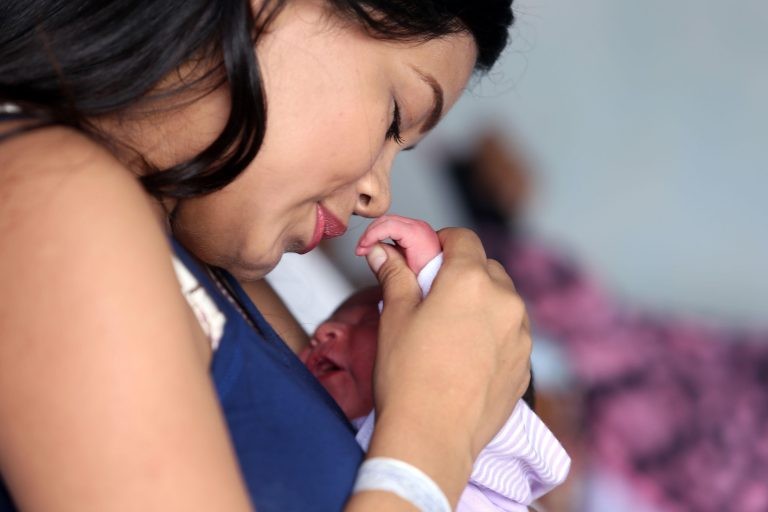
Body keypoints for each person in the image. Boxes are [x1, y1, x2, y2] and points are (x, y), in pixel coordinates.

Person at [0, 1, 534, 511]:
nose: (379, 195)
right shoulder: (52, 199)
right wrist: (437, 435)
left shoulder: (201, 252)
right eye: (395, 117)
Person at [302, 215, 570, 512]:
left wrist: (431, 271)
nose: (323, 331)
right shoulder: (334, 437)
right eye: (334, 319)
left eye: (368, 321)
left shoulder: (481, 449)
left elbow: (470, 343)